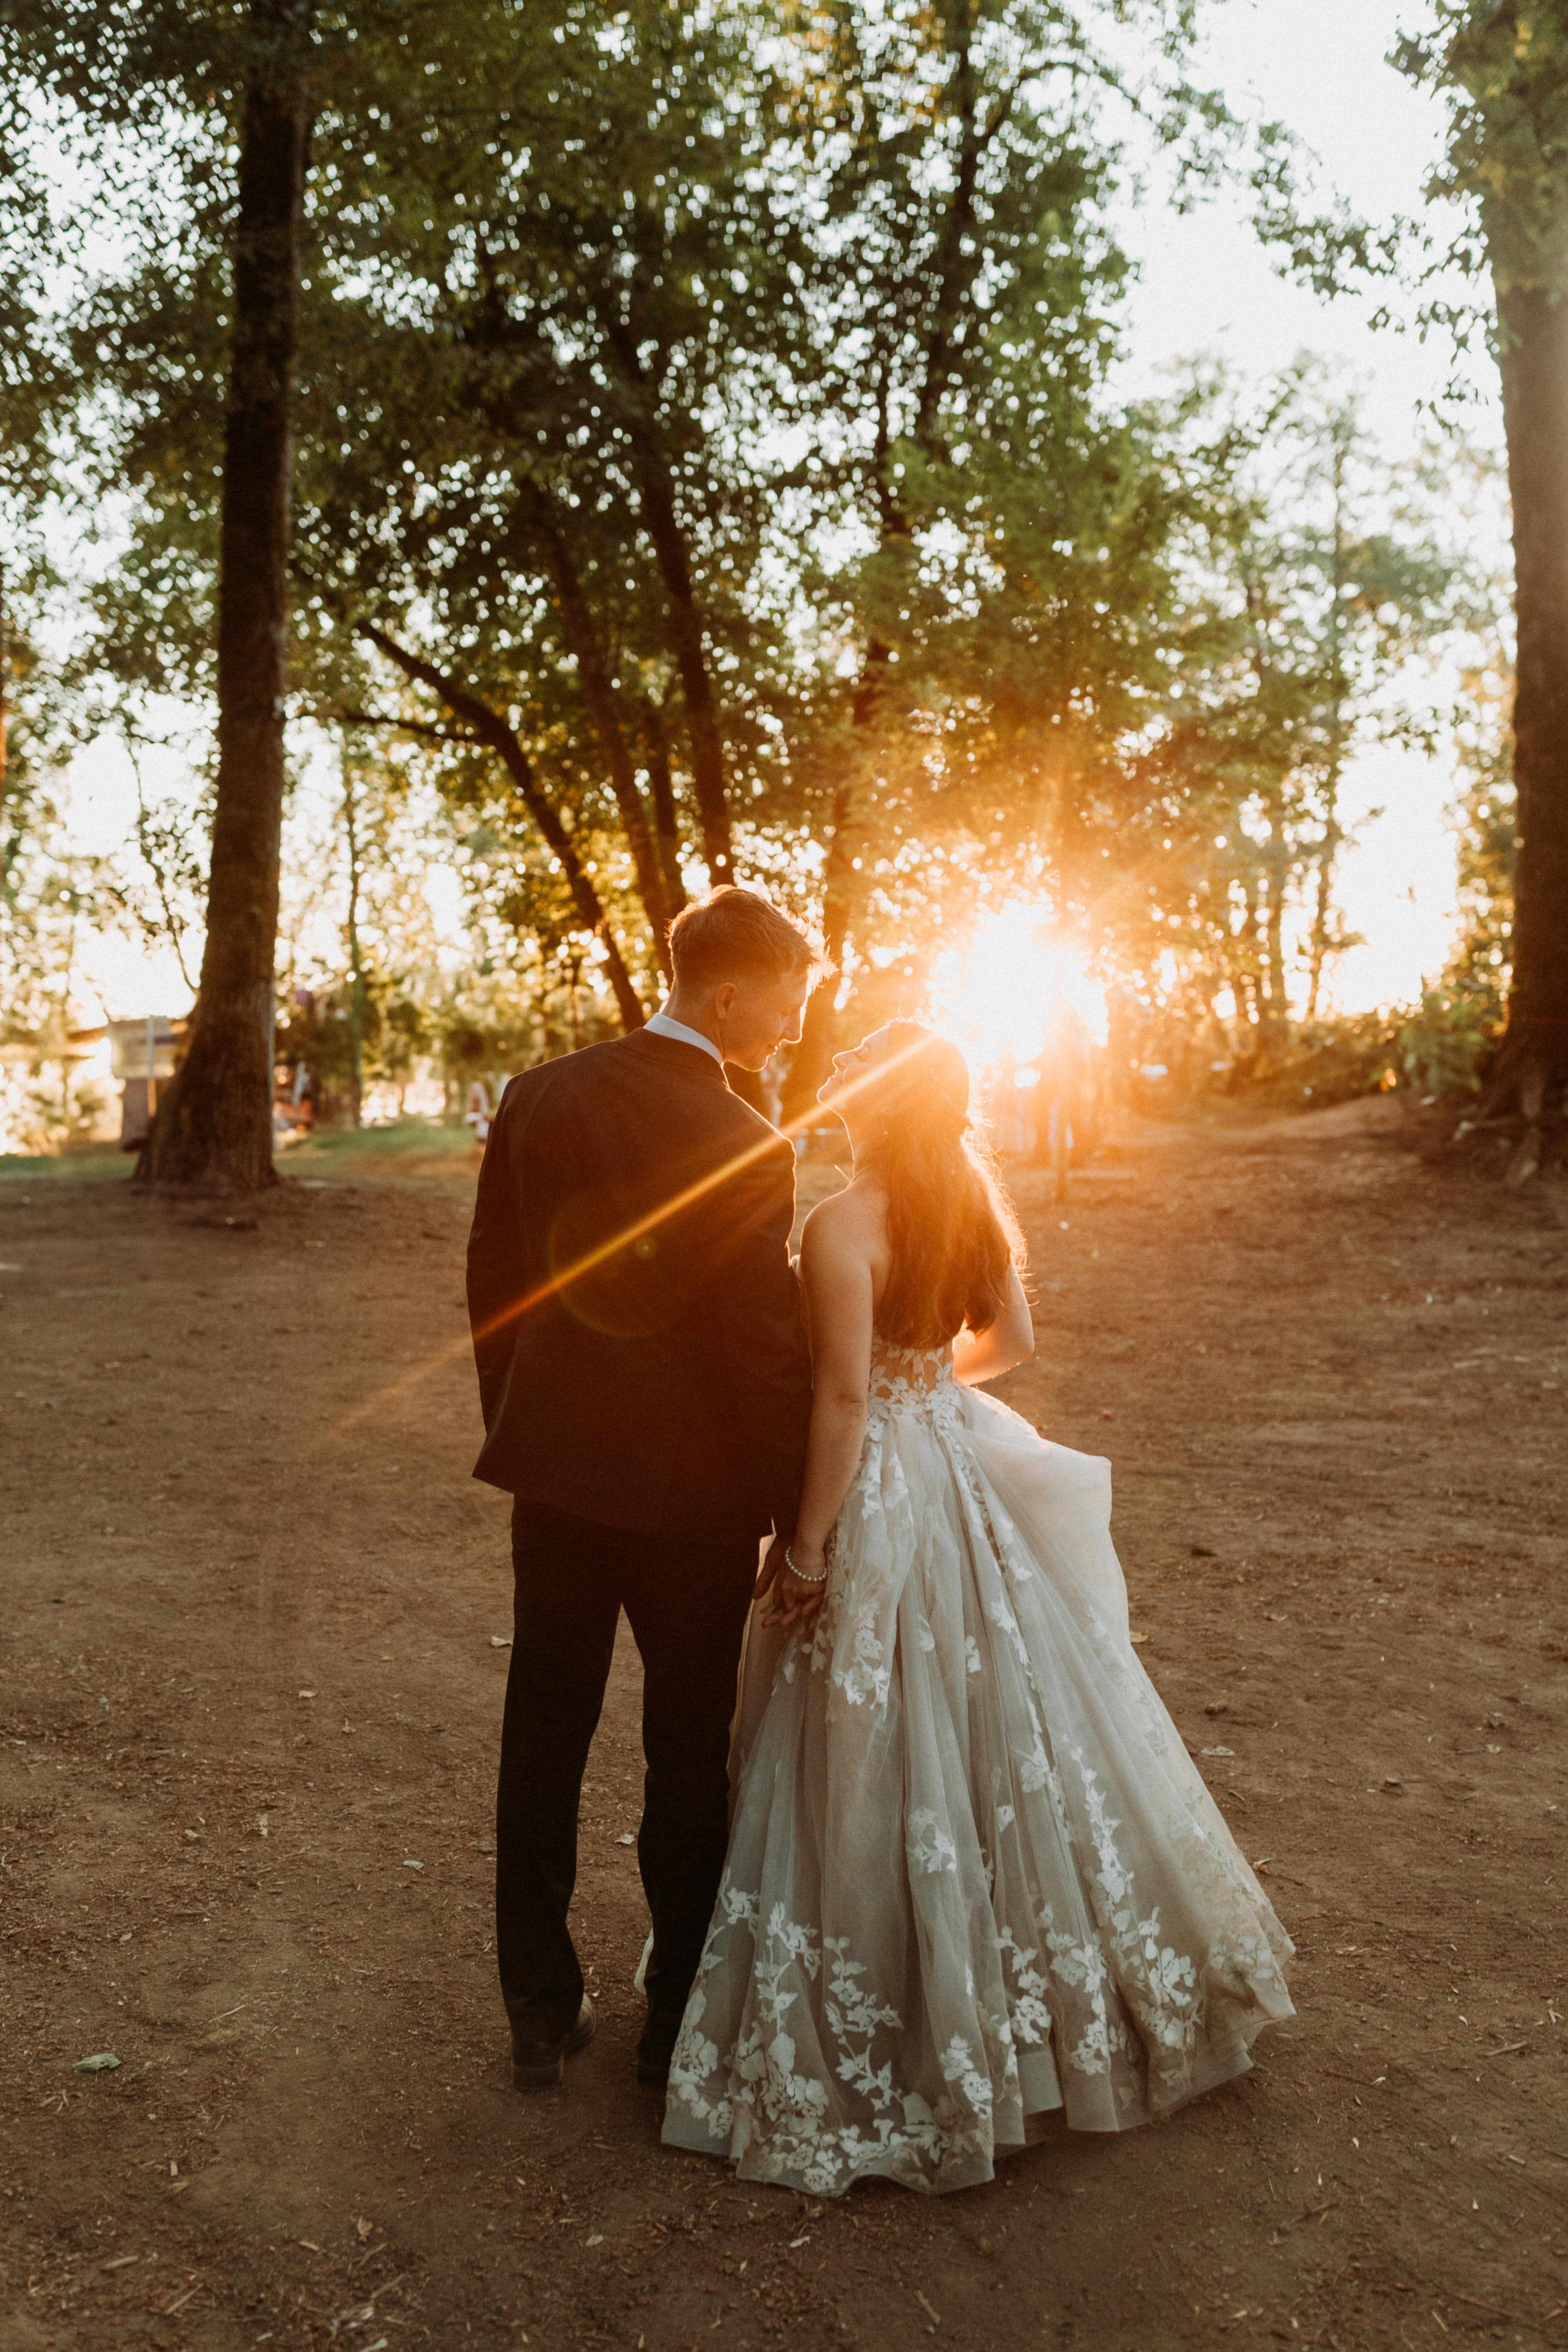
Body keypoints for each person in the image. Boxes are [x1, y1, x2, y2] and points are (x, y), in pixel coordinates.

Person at [662, 1021, 1294, 2195]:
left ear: (870, 1104)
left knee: (876, 1719)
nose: (834, 1095)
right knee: (1007, 1716)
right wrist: (932, 1387)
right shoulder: (968, 1205)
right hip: (950, 1453)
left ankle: (901, 1991)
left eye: (847, 1081)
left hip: (880, 1481)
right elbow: (1015, 1339)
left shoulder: (843, 1221)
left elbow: (842, 1396)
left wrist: (804, 1547)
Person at [466, 888, 817, 2093]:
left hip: (555, 1484)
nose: (798, 1018)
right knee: (684, 1749)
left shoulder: (538, 1095)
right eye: (791, 995)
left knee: (543, 1733)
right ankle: (673, 2024)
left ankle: (537, 2010)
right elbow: (762, 1350)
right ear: (726, 995)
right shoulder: (746, 1144)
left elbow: (494, 1283)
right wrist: (790, 1512)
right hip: (692, 1508)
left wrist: (523, 1424)